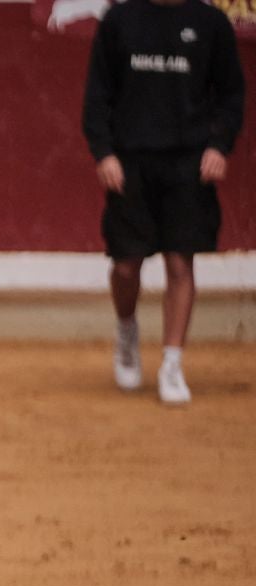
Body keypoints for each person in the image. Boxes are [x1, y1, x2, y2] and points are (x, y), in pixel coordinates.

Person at [82, 0, 244, 406]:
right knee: (124, 266)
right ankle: (127, 330)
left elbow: (231, 94)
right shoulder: (120, 20)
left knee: (179, 263)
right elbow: (97, 95)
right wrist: (104, 153)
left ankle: (172, 362)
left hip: (188, 164)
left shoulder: (210, 23)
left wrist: (219, 147)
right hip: (130, 161)